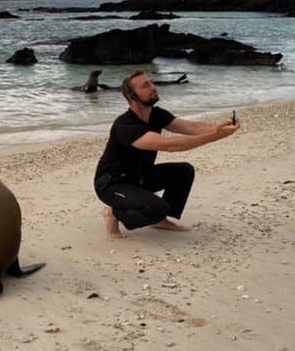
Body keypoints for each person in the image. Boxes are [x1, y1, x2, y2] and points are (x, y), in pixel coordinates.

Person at [94, 70, 239, 238]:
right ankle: (114, 212)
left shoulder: (156, 115)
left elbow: (190, 128)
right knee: (157, 207)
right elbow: (169, 145)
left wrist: (219, 128)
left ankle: (159, 220)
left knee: (184, 171)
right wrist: (214, 136)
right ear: (132, 96)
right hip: (112, 184)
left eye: (152, 83)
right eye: (146, 86)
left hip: (139, 177)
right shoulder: (125, 125)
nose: (153, 88)